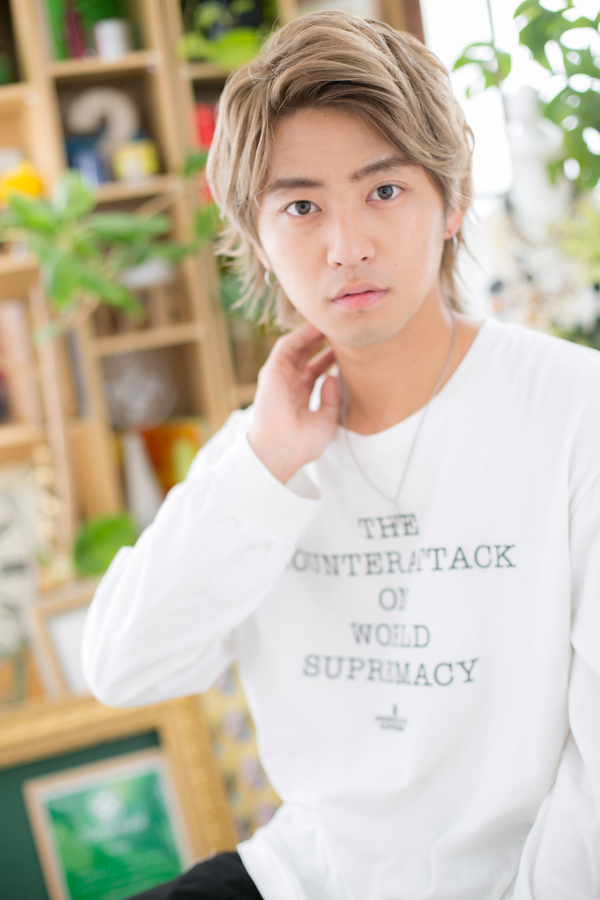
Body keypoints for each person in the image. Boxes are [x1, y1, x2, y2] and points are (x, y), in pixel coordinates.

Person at [81, 11, 600, 900]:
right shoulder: (263, 449)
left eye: (384, 190)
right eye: (301, 206)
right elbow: (125, 668)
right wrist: (268, 463)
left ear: (452, 201)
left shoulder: (574, 410)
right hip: (300, 877)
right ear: (257, 235)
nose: (346, 245)